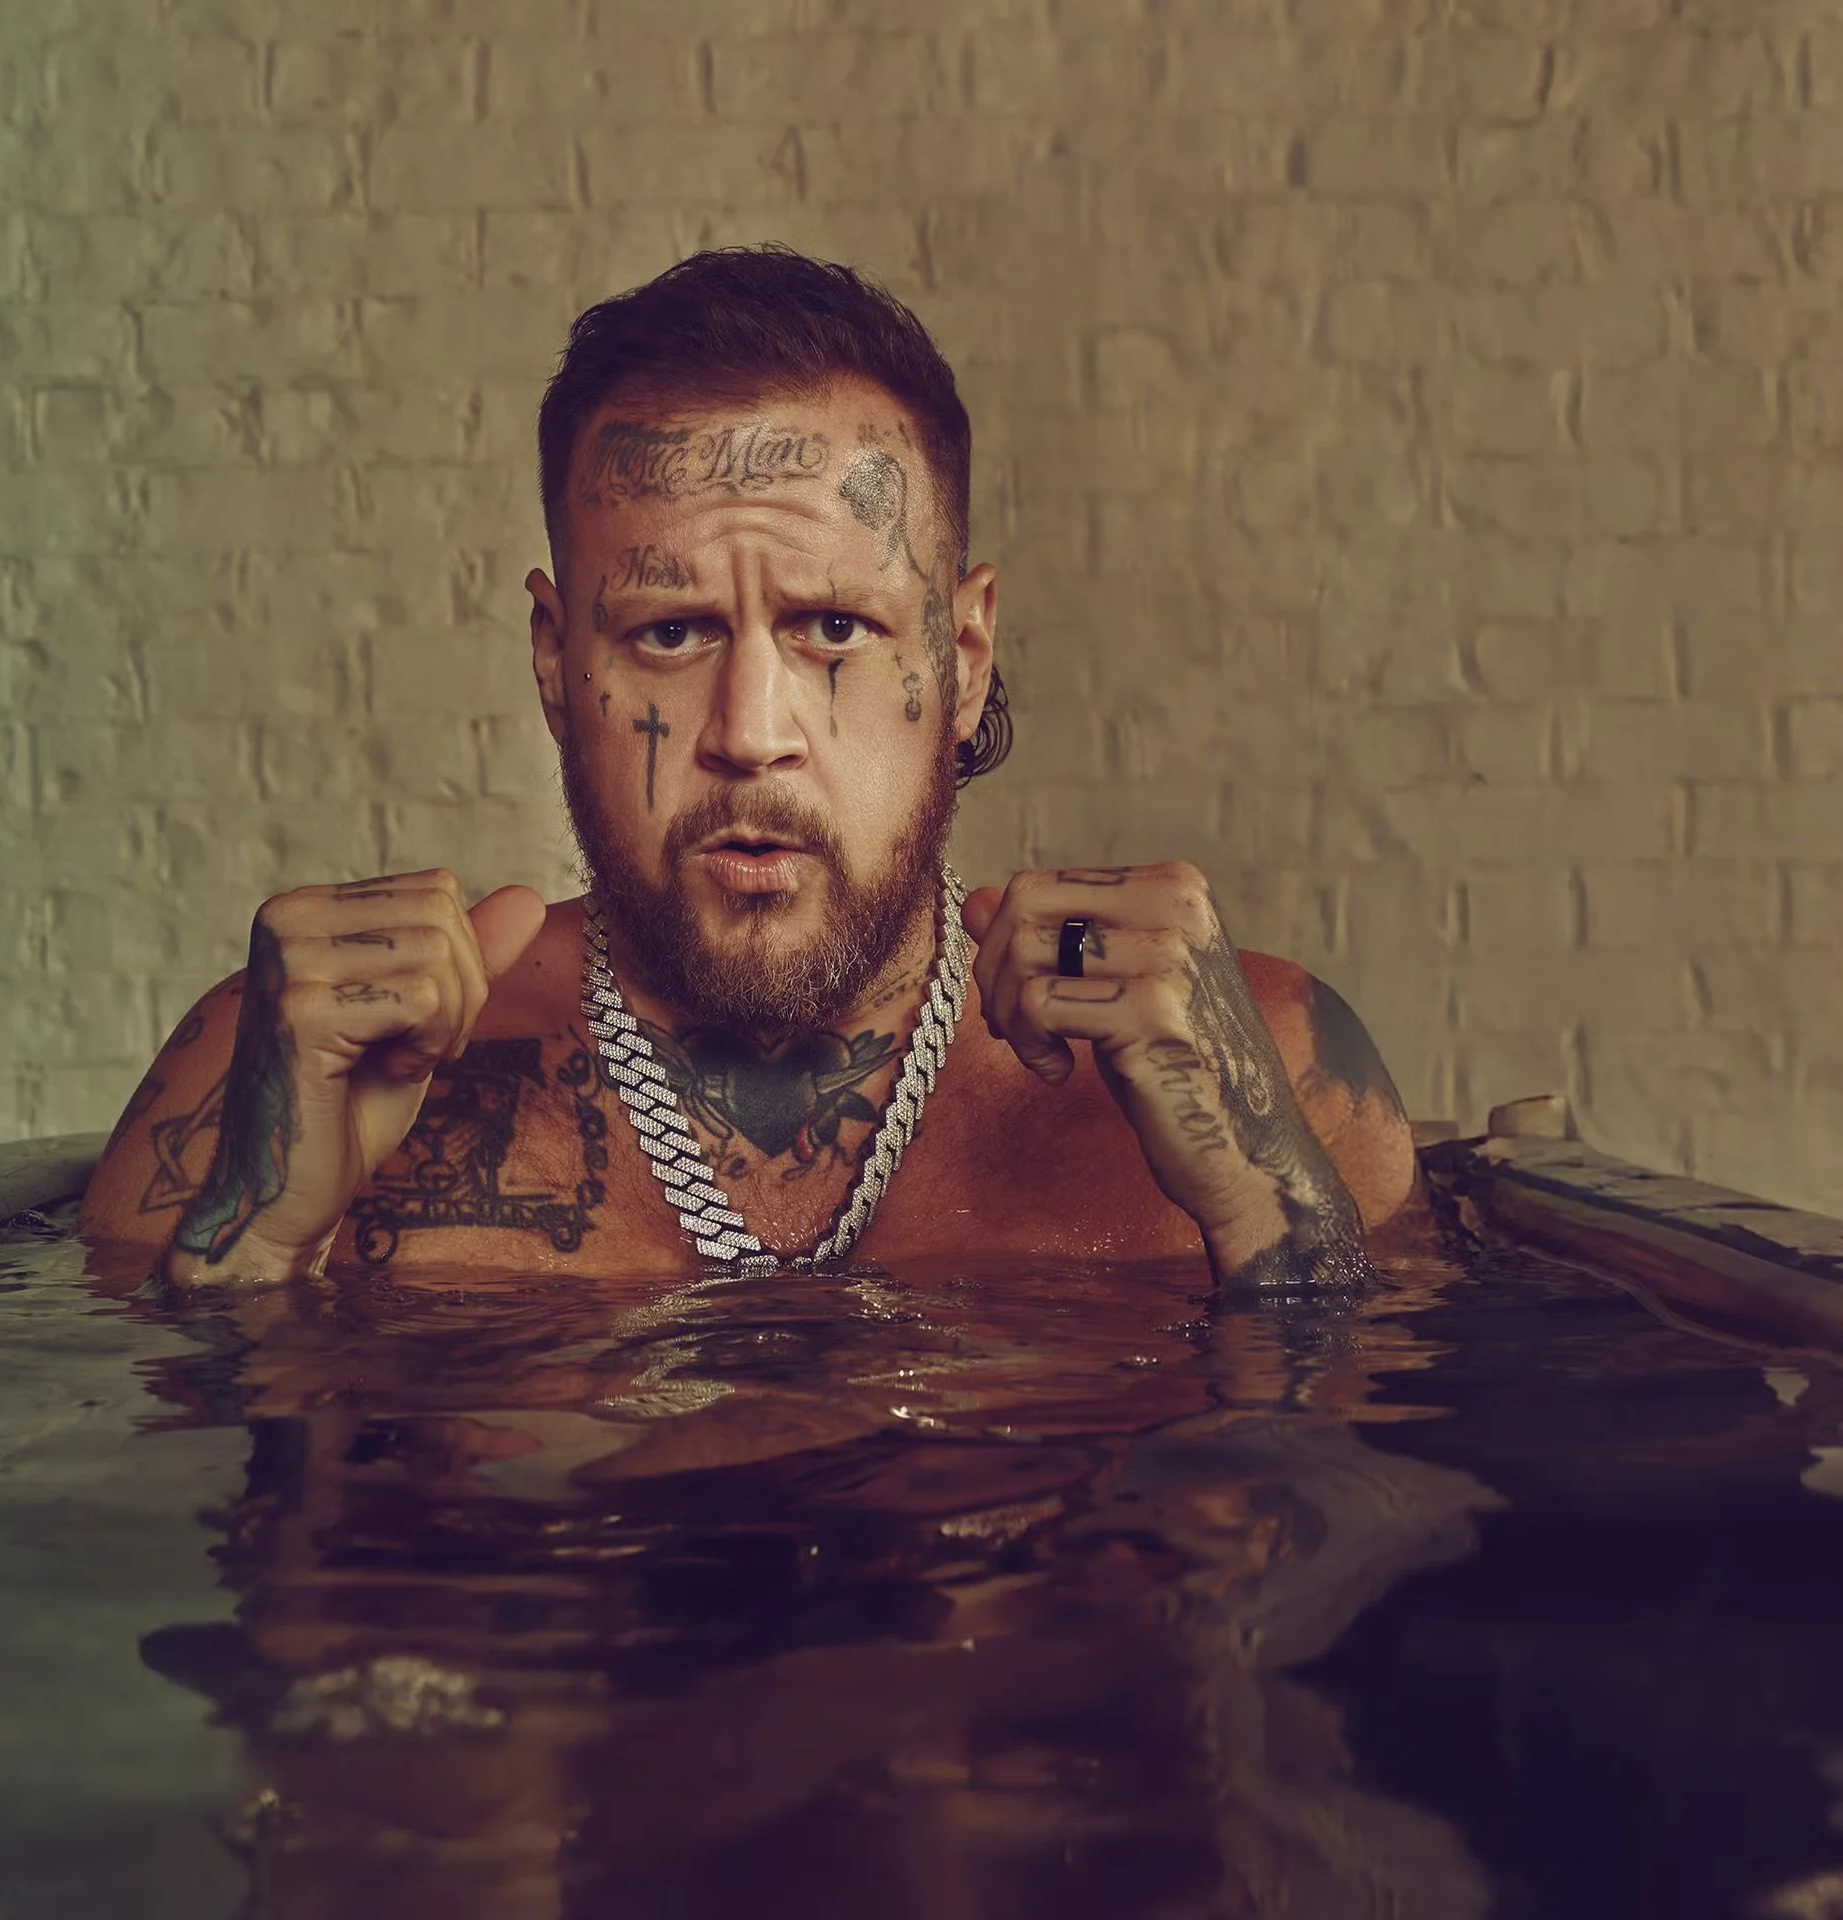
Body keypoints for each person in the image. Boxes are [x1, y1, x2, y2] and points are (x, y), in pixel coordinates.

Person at [80, 247, 1416, 1292]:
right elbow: (170, 1570)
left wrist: (1266, 1217)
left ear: (960, 652)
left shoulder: (1278, 1068)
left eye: (835, 627)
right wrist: (254, 1251)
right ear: (558, 664)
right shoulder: (258, 1075)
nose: (750, 728)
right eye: (671, 631)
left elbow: (1350, 1583)